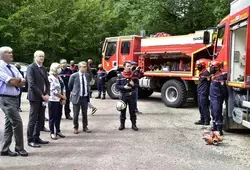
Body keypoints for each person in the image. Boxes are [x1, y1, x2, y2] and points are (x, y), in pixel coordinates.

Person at [0, 46, 28, 156]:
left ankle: (4, 148)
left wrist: (18, 81)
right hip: (5, 98)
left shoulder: (12, 67)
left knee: (9, 123)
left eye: (11, 52)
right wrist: (17, 81)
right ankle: (19, 147)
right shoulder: (0, 67)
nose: (11, 54)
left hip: (15, 98)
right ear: (2, 55)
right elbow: (11, 81)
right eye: (8, 53)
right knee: (17, 122)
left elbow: (23, 81)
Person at [26, 50, 50, 148]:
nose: (42, 58)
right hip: (35, 97)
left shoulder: (43, 68)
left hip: (43, 98)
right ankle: (30, 139)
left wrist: (47, 93)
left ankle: (37, 137)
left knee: (40, 118)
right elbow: (31, 84)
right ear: (35, 57)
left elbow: (47, 82)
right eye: (40, 56)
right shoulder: (31, 68)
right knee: (33, 119)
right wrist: (41, 95)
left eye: (43, 56)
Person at [68, 61, 92, 134]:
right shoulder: (74, 76)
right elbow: (70, 86)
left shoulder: (87, 75)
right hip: (77, 97)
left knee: (85, 113)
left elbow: (88, 84)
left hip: (85, 98)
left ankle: (85, 127)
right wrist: (74, 92)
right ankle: (75, 127)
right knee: (76, 114)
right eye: (83, 67)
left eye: (86, 67)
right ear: (79, 67)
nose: (85, 68)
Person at [116, 61, 139, 131]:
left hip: (132, 95)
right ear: (124, 67)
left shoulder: (134, 75)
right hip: (123, 96)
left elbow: (137, 85)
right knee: (122, 111)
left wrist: (133, 85)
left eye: (130, 66)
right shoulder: (120, 76)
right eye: (128, 66)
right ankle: (122, 125)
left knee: (132, 111)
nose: (129, 67)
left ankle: (134, 125)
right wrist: (124, 87)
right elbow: (117, 86)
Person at [48, 63, 66, 140]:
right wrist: (62, 97)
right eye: (58, 67)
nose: (60, 69)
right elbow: (53, 91)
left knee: (59, 116)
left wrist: (64, 97)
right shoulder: (50, 78)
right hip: (53, 100)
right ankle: (52, 132)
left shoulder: (59, 77)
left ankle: (58, 130)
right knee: (52, 117)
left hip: (59, 100)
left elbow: (63, 87)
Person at [209, 60, 228, 136]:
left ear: (217, 68)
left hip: (217, 98)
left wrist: (224, 98)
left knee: (217, 113)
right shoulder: (214, 76)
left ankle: (219, 129)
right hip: (213, 98)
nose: (211, 69)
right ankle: (215, 127)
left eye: (212, 67)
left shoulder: (221, 77)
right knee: (213, 113)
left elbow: (224, 90)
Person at [194, 59, 211, 125]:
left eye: (199, 65)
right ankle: (202, 119)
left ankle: (207, 120)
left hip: (204, 93)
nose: (197, 67)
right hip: (200, 92)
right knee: (200, 107)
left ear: (202, 66)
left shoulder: (206, 73)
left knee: (204, 106)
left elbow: (209, 83)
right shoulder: (201, 73)